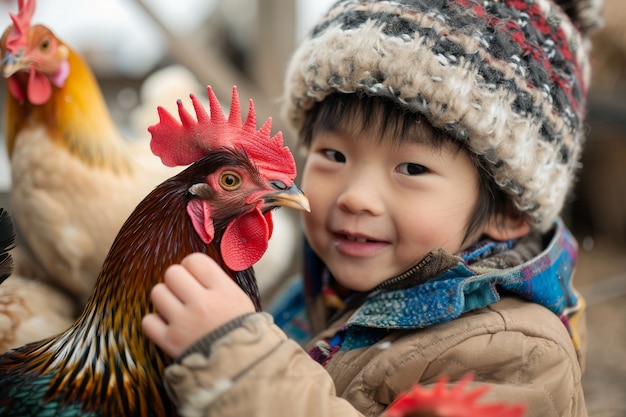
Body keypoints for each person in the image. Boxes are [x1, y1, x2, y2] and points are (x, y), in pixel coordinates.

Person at [141, 0, 604, 416]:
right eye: (334, 156)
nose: (355, 197)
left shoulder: (518, 354)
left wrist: (238, 362)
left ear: (509, 213)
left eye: (411, 168)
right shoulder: (318, 295)